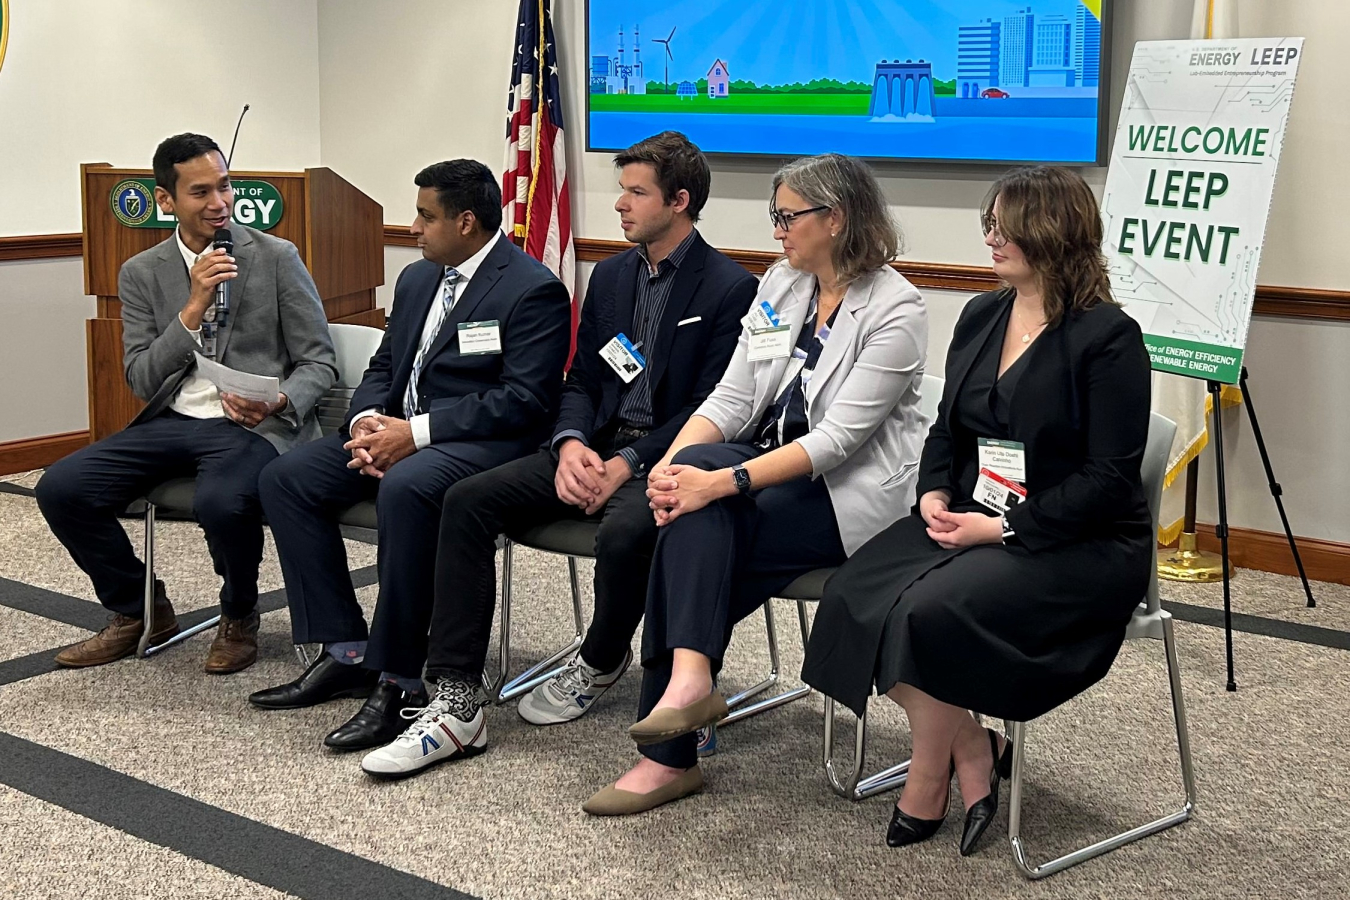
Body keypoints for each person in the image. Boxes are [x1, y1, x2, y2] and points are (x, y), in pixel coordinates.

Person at [356, 131, 758, 779]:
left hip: (674, 455)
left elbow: (714, 405)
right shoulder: (613, 276)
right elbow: (584, 382)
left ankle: (601, 658)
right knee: (467, 499)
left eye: (636, 192)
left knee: (630, 528)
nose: (621, 205)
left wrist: (629, 465)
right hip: (592, 446)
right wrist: (571, 444)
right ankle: (457, 696)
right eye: (620, 190)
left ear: (680, 201)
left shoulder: (730, 288)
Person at [801, 166, 1153, 856]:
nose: (991, 238)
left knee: (926, 614)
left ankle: (929, 774)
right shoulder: (982, 313)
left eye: (1004, 225)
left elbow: (1108, 481)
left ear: (1053, 230)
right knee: (851, 594)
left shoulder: (1108, 338)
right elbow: (947, 431)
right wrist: (931, 489)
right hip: (971, 512)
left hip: (1077, 543)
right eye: (988, 223)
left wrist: (1002, 528)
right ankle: (973, 744)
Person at [583, 152, 930, 815]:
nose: (776, 229)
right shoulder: (782, 284)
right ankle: (688, 685)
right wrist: (672, 470)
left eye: (787, 216)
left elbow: (835, 444)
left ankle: (669, 752)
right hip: (762, 474)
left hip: (844, 496)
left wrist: (720, 482)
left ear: (836, 218)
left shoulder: (897, 309)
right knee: (687, 510)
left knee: (692, 532)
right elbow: (734, 398)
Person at [247, 160, 572, 754]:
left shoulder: (533, 288)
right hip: (397, 431)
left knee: (408, 487)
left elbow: (523, 401)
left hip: (479, 445)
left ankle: (399, 679)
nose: (413, 228)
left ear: (466, 221)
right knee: (285, 478)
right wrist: (368, 423)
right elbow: (385, 366)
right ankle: (346, 649)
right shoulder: (419, 279)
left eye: (425, 216)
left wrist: (413, 435)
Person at [37, 133, 336, 675]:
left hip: (251, 427)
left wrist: (281, 400)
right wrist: (192, 308)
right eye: (201, 192)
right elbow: (141, 378)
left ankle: (239, 613)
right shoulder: (141, 272)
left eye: (224, 186)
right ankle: (139, 608)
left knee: (221, 502)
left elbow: (320, 361)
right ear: (166, 201)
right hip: (172, 419)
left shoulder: (275, 257)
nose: (220, 202)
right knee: (61, 487)